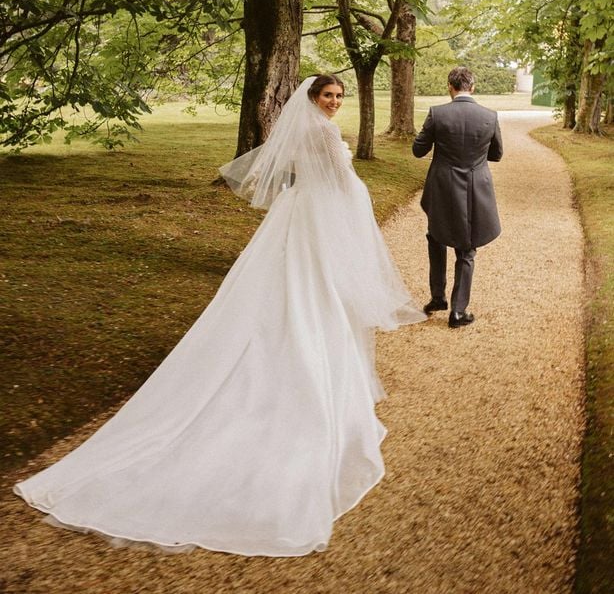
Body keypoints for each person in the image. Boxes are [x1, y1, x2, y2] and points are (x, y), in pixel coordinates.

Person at [14, 74, 425, 557]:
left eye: (338, 97)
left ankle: (285, 347)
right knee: (315, 294)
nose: (334, 102)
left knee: (290, 290)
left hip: (300, 213)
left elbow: (293, 173)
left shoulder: (299, 128)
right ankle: (305, 369)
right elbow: (341, 181)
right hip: (320, 215)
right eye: (327, 96)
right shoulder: (325, 132)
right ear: (313, 99)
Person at [412, 66, 503, 329]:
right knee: (467, 247)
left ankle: (437, 298)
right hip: (475, 186)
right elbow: (496, 154)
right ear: (472, 87)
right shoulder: (489, 116)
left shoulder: (436, 114)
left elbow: (419, 150)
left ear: (450, 87)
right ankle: (458, 311)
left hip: (442, 186)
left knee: (436, 237)